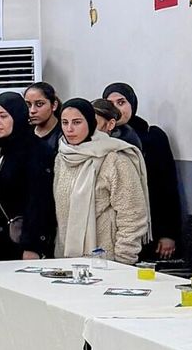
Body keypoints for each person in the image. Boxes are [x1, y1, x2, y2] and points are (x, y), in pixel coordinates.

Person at [52, 99, 150, 264]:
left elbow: (132, 214)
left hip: (107, 260)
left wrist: (124, 260)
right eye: (65, 122)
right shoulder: (62, 157)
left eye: (77, 122)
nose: (69, 129)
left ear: (90, 123)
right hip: (67, 258)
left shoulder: (115, 159)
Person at [103, 82, 181, 259]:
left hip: (150, 223)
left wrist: (168, 233)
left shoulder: (152, 136)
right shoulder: (101, 138)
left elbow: (167, 186)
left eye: (121, 102)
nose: (116, 109)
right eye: (110, 104)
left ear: (132, 104)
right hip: (112, 227)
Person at [0, 93, 56, 261]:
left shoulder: (36, 150)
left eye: (3, 116)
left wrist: (32, 245)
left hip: (19, 243)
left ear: (17, 116)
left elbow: (40, 202)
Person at [25, 82, 62, 152]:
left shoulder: (64, 135)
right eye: (28, 105)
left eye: (39, 104)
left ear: (54, 105)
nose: (32, 110)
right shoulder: (24, 133)